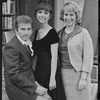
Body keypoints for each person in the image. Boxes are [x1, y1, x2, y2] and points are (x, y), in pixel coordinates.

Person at [2, 15, 51, 100]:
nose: (26, 32)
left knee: (49, 97)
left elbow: (26, 67)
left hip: (27, 81)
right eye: (22, 29)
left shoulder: (27, 42)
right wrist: (35, 88)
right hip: (16, 87)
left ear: (32, 30)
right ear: (16, 30)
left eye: (28, 29)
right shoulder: (11, 46)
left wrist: (36, 82)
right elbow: (14, 74)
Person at [58, 1, 94, 100]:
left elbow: (88, 56)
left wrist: (83, 78)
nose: (68, 17)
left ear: (76, 16)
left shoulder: (83, 33)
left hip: (78, 75)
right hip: (63, 75)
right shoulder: (59, 34)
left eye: (71, 15)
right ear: (63, 16)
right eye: (66, 14)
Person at [32, 1, 66, 100]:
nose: (42, 15)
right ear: (36, 14)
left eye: (46, 13)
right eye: (40, 12)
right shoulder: (37, 31)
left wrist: (52, 78)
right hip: (39, 70)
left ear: (50, 16)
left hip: (49, 71)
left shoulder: (52, 33)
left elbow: (55, 57)